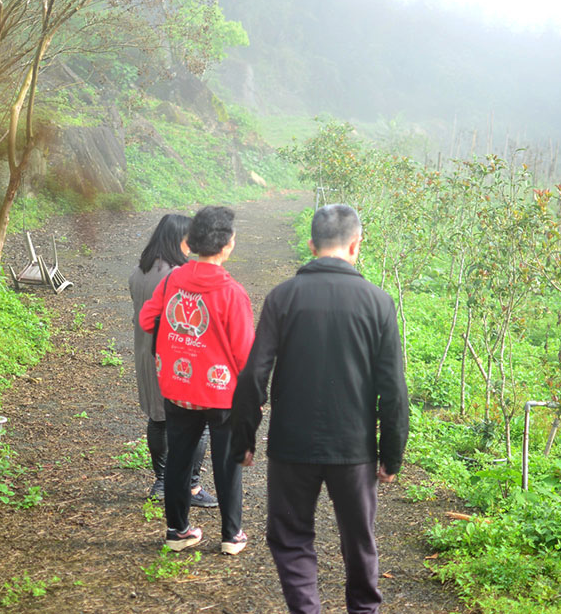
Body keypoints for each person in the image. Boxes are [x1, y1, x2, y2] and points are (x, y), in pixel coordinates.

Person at [231, 203, 409, 614]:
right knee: (360, 542)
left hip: (292, 448)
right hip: (355, 451)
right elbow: (393, 389)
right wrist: (391, 453)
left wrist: (244, 439)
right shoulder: (378, 303)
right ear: (356, 244)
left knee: (291, 537)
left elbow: (253, 375)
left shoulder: (282, 297)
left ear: (311, 245)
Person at [139, 206, 254, 555]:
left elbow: (148, 320)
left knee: (178, 459)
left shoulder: (172, 280)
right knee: (226, 463)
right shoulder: (233, 292)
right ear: (228, 245)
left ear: (189, 243)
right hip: (220, 394)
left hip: (177, 386)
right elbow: (245, 353)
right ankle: (231, 536)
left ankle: (177, 532)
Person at [129, 214, 217, 508]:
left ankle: (161, 482)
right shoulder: (178, 274)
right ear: (178, 238)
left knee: (157, 419)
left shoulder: (139, 271)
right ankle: (191, 487)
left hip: (145, 355)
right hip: (175, 360)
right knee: (197, 422)